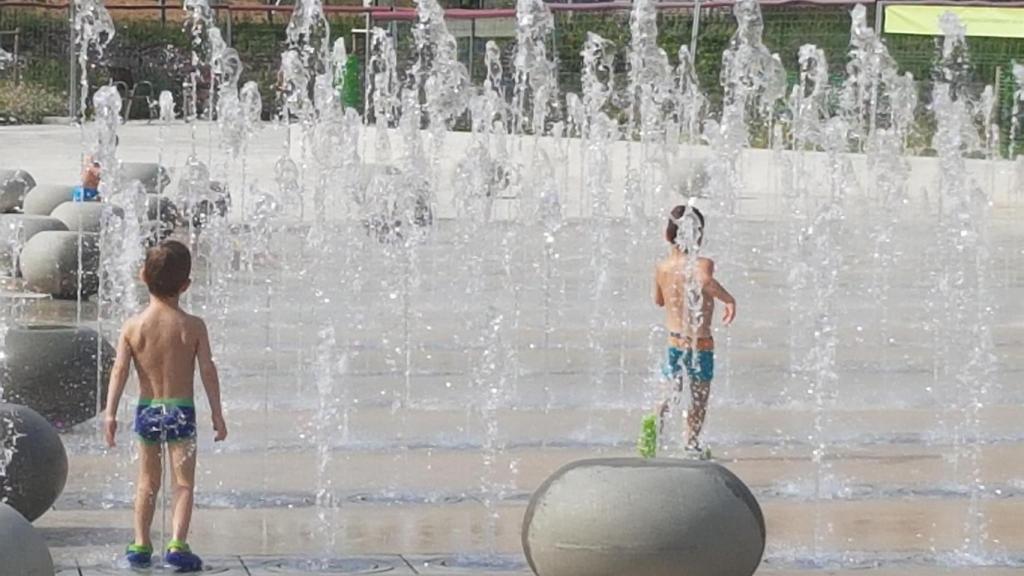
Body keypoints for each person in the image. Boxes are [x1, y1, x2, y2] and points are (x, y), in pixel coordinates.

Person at [103, 240, 228, 571]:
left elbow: (119, 371)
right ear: (186, 285)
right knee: (183, 483)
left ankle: (141, 543)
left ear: (142, 275)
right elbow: (208, 371)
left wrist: (110, 413)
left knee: (147, 481)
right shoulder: (193, 326)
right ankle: (177, 544)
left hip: (148, 410)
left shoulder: (133, 327)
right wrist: (217, 413)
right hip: (181, 411)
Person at [652, 204, 736, 458]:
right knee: (699, 397)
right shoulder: (703, 264)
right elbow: (704, 280)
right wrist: (728, 299)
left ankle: (653, 432)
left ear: (667, 234)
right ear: (699, 234)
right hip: (701, 344)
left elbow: (658, 300)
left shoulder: (662, 267)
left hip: (674, 341)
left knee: (670, 392)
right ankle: (691, 442)